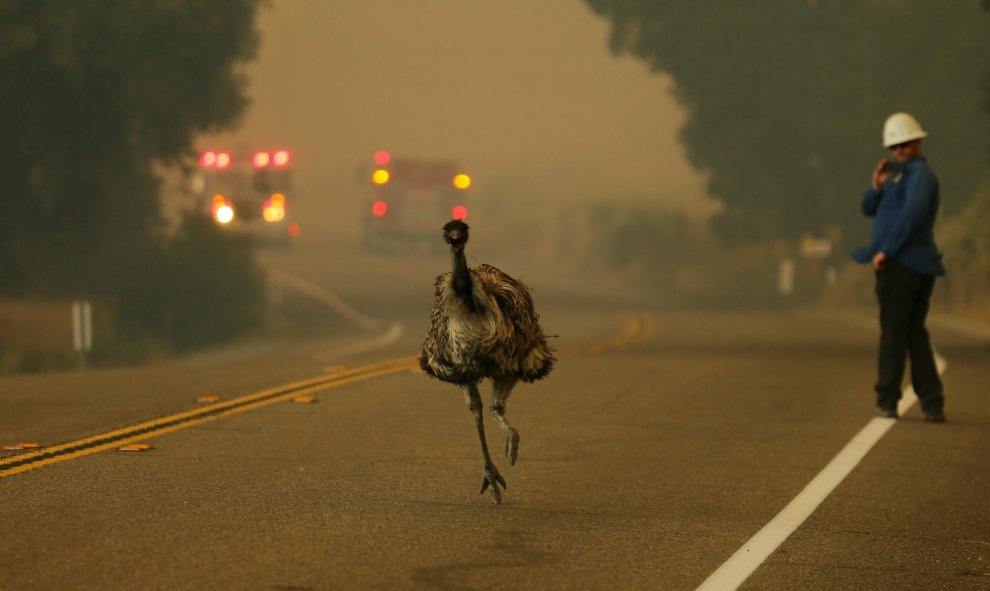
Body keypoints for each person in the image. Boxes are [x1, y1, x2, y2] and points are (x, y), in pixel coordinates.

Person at [852, 112, 946, 423]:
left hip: (903, 266)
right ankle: (932, 401)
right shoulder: (898, 177)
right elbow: (868, 208)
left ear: (918, 142)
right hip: (903, 264)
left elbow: (913, 217)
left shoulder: (921, 176)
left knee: (893, 333)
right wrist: (876, 186)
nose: (900, 151)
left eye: (906, 144)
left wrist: (886, 252)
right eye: (895, 146)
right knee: (913, 333)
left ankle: (887, 399)